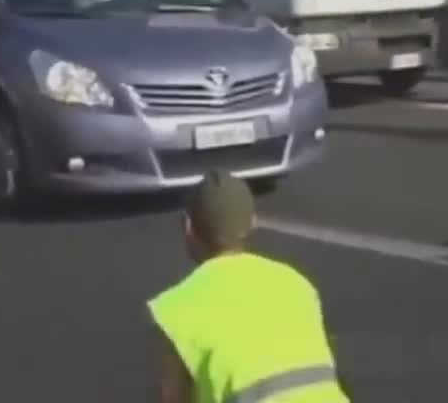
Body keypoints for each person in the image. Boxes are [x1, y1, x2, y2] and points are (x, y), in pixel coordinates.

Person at [149, 170, 350, 403]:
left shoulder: (178, 310)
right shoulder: (297, 284)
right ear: (253, 222)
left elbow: (172, 397)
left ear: (188, 228)